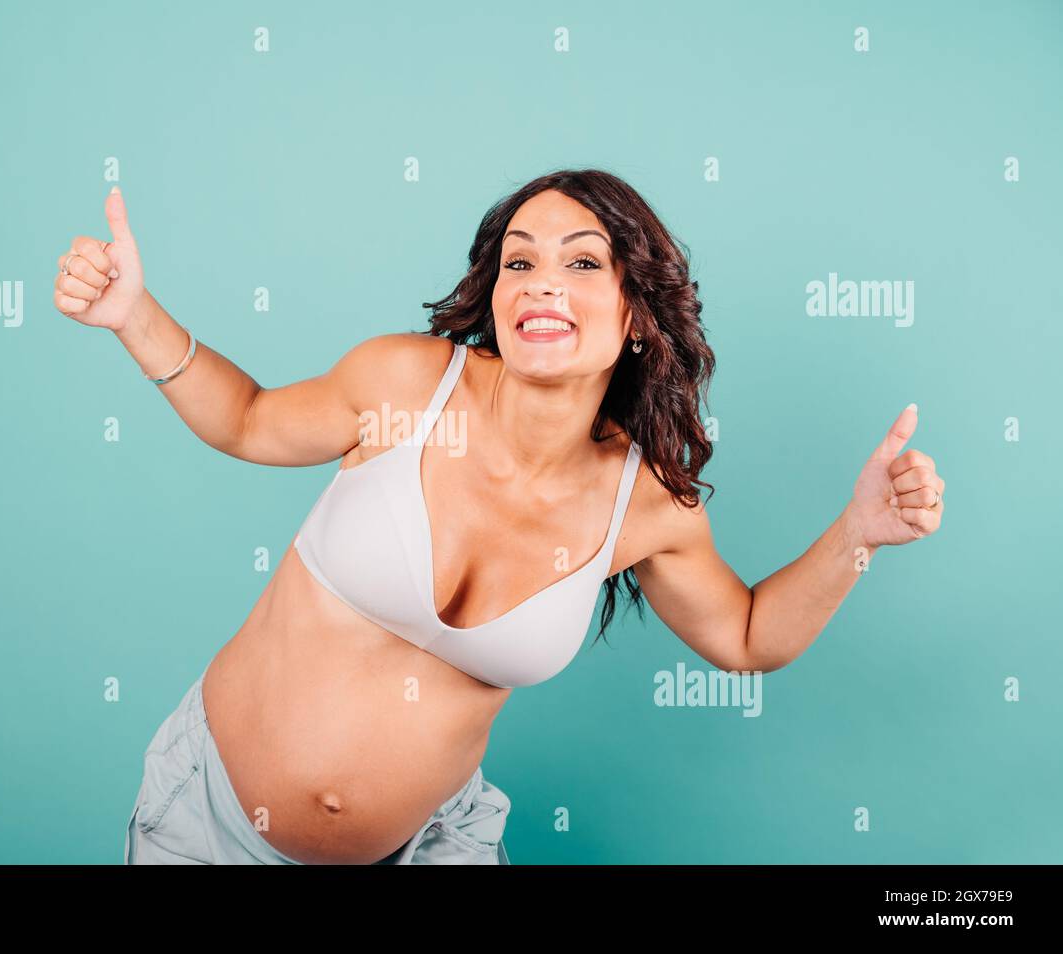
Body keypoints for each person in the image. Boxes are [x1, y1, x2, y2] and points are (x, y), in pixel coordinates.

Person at [53, 169, 945, 865]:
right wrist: (133, 315)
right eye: (520, 261)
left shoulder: (642, 504)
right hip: (210, 824)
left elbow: (747, 636)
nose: (540, 284)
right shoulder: (408, 384)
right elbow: (247, 419)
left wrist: (858, 534)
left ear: (637, 314)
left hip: (434, 845)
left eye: (582, 262)